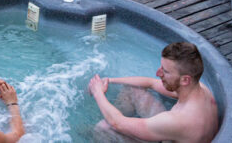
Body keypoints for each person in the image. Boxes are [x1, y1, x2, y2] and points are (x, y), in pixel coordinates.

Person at [87, 41, 219, 143]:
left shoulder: (178, 120)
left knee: (103, 128)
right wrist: (109, 80)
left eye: (165, 71)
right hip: (173, 134)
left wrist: (98, 92)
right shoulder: (199, 88)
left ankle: (93, 134)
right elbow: (151, 83)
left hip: (171, 132)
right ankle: (120, 120)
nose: (158, 73)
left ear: (185, 80)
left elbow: (117, 123)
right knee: (133, 89)